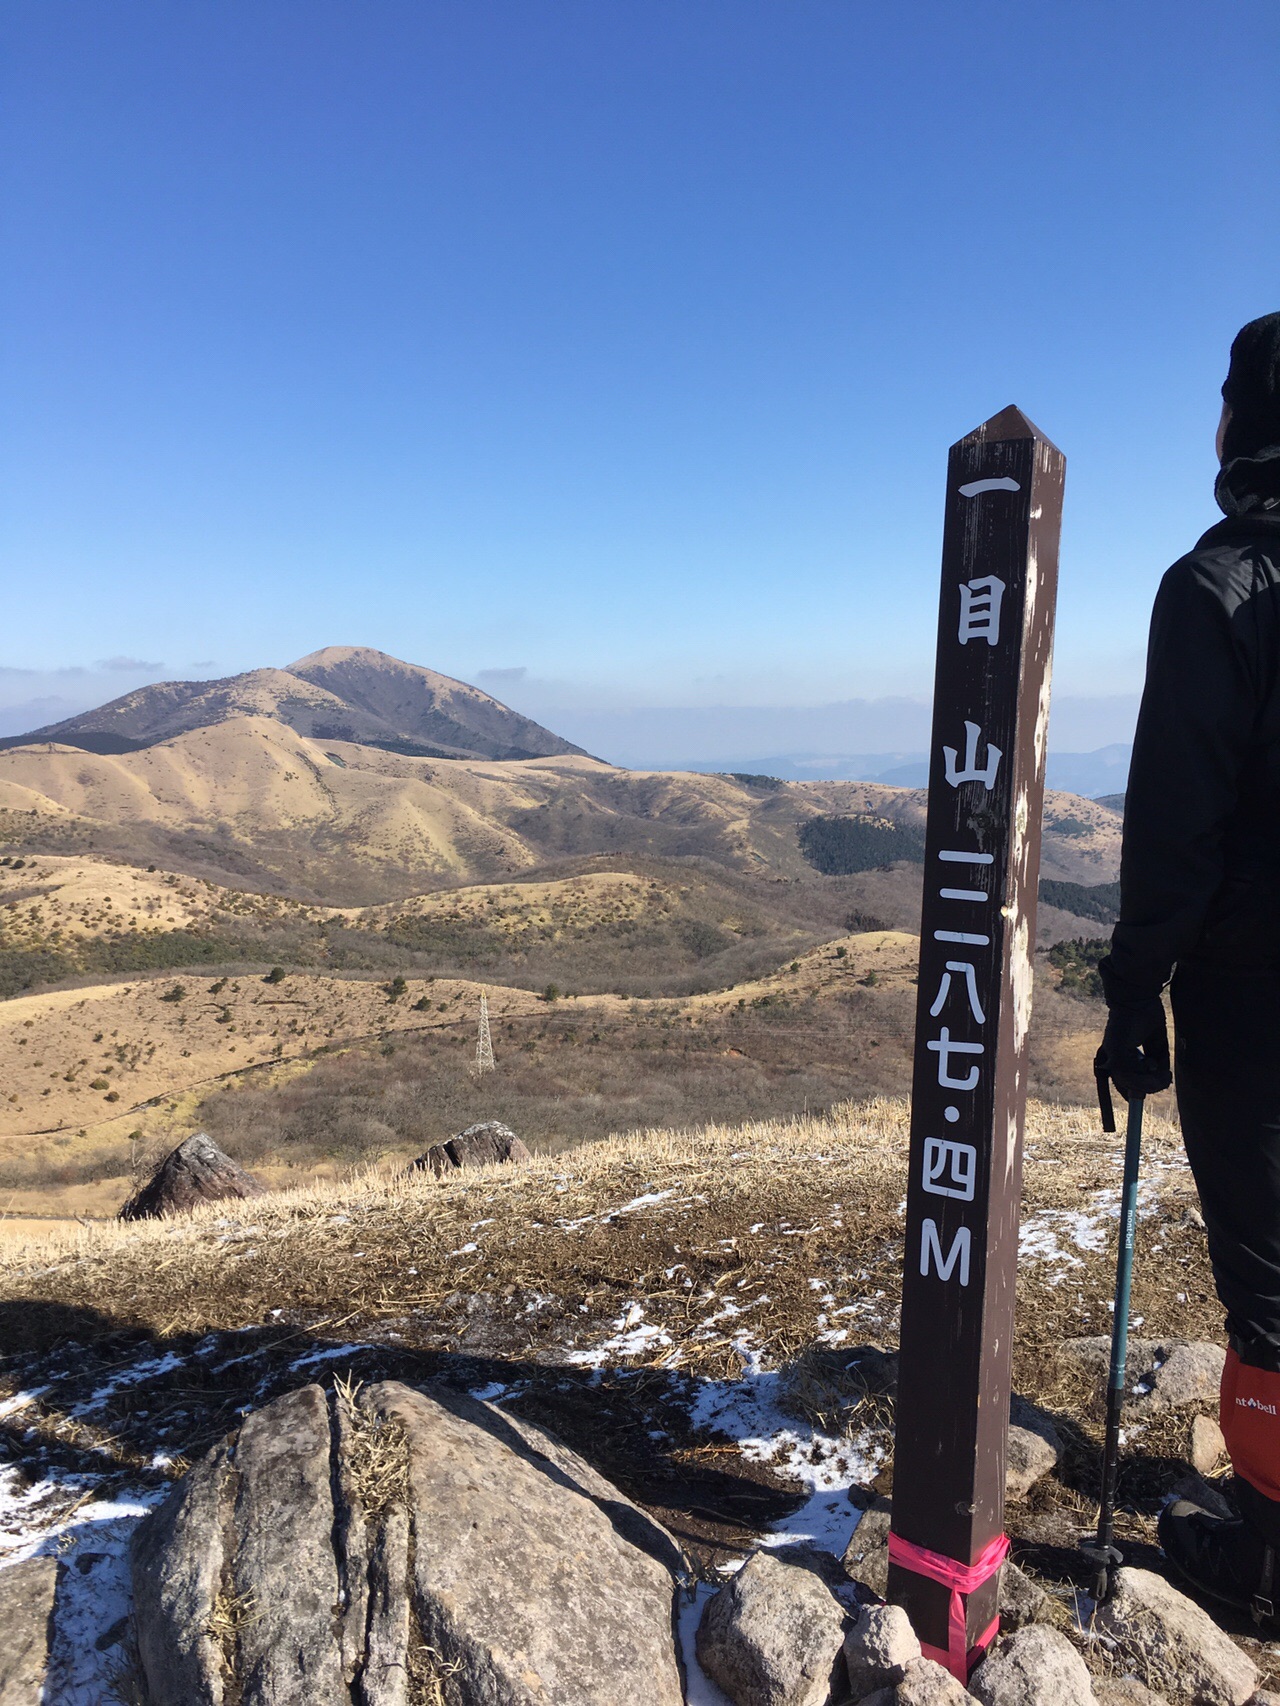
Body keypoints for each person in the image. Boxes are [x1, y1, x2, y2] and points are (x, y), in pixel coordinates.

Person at [1095, 311, 1280, 1624]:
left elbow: (1176, 827)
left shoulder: (1212, 590)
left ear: (1237, 424)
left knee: (1271, 1287)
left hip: (1251, 999)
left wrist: (1132, 993)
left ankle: (1266, 1559)